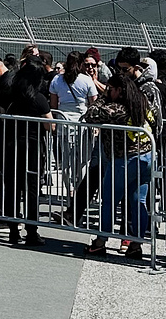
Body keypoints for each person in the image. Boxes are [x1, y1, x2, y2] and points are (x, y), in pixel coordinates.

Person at [82, 65, 155, 259]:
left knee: (109, 200)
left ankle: (101, 241)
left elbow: (89, 115)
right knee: (138, 201)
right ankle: (136, 244)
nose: (108, 92)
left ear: (118, 90)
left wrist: (103, 97)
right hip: (146, 156)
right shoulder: (143, 103)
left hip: (124, 159)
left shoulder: (115, 109)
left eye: (111, 89)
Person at [0, 53, 52, 247]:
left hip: (10, 144)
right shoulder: (39, 98)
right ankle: (32, 230)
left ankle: (12, 230)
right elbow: (50, 125)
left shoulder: (10, 95)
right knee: (32, 187)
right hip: (32, 146)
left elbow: (0, 113)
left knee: (11, 186)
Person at [51, 50, 101, 226]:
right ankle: (79, 196)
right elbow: (94, 103)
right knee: (82, 162)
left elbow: (54, 104)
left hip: (63, 123)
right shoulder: (86, 80)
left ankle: (69, 192)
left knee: (65, 163)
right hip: (82, 123)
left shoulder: (57, 80)